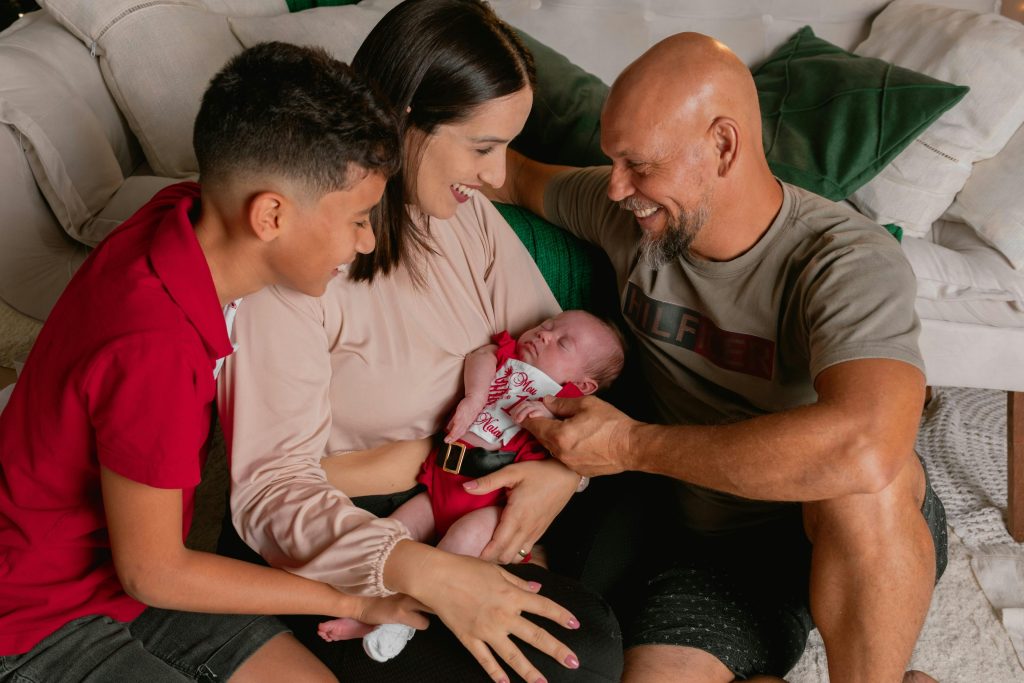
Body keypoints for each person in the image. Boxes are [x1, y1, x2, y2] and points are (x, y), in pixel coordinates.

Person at [490, 32, 948, 683]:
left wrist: (627, 445)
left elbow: (869, 445)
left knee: (868, 478)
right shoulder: (623, 214)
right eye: (613, 161)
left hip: (851, 536)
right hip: (709, 547)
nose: (618, 187)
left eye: (640, 165)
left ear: (724, 146)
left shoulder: (844, 257)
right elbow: (508, 172)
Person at [216, 1, 624, 682]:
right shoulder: (300, 254)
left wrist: (560, 472)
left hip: (480, 484)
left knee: (652, 500)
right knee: (583, 653)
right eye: (483, 147)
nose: (497, 176)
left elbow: (563, 370)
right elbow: (267, 492)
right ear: (406, 121)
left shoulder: (462, 218)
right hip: (350, 531)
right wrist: (427, 569)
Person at [0, 42, 430, 683]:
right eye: (360, 220)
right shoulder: (154, 349)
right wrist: (352, 598)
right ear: (271, 215)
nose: (367, 242)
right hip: (34, 621)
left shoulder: (178, 213)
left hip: (116, 579)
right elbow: (155, 571)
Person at [318, 310, 625, 660]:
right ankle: (362, 606)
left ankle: (401, 621)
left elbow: (585, 457)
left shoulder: (567, 401)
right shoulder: (507, 358)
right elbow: (482, 356)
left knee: (456, 548)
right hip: (441, 486)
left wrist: (550, 424)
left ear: (584, 385)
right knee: (392, 533)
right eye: (547, 326)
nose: (544, 335)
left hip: (491, 506)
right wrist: (475, 396)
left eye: (562, 343)